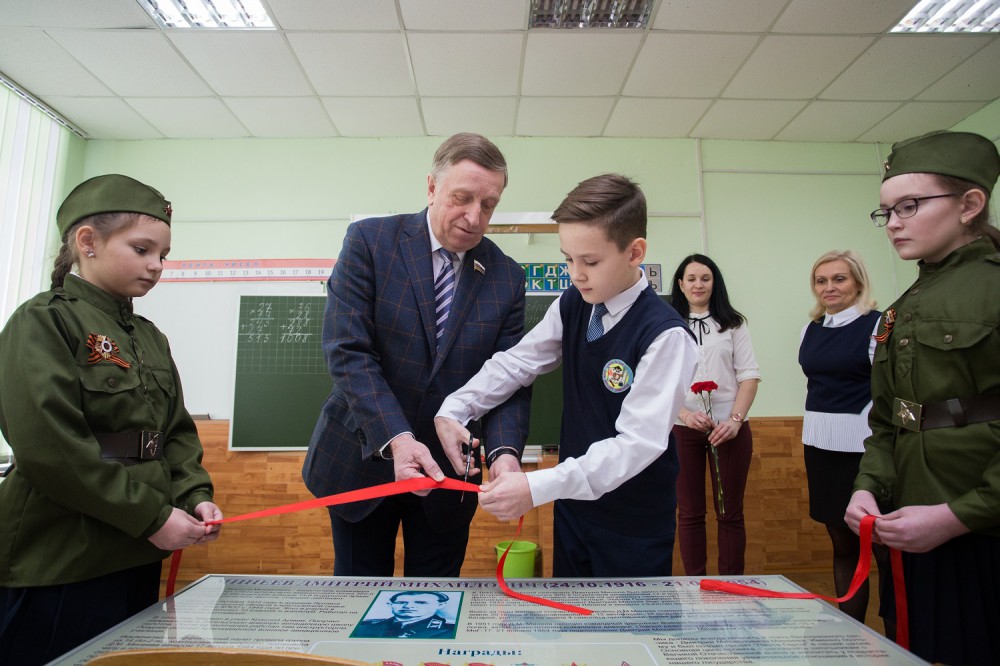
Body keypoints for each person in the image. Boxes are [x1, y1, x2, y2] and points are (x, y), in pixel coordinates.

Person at [0, 174, 222, 665]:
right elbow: (49, 447)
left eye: (163, 255)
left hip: (137, 549)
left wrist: (194, 497)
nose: (156, 265)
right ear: (87, 242)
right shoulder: (44, 320)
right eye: (142, 249)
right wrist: (152, 517)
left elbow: (174, 434)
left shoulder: (148, 336)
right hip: (63, 554)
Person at [436, 173, 698, 577]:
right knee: (570, 616)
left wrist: (536, 487)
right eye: (568, 259)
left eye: (590, 262)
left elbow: (635, 445)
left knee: (627, 618)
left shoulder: (666, 336)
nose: (576, 274)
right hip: (574, 509)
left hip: (632, 523)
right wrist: (454, 408)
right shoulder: (574, 303)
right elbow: (518, 362)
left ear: (634, 252)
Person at [302, 133, 531, 577]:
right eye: (462, 198)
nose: (474, 217)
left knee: (436, 600)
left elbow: (508, 379)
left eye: (488, 205)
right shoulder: (370, 242)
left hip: (450, 475)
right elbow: (348, 351)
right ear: (431, 187)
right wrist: (398, 437)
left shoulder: (506, 277)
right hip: (365, 458)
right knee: (360, 595)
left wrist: (504, 454)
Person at [845, 130, 1000, 665]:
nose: (893, 223)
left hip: (981, 529)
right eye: (886, 211)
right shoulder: (903, 306)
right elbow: (891, 420)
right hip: (911, 524)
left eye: (909, 206)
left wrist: (959, 515)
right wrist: (868, 487)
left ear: (969, 205)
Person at [799, 250, 892, 633]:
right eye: (821, 280)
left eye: (839, 279)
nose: (829, 287)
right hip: (820, 447)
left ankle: (897, 638)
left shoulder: (878, 325)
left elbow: (888, 390)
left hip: (864, 450)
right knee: (842, 545)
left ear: (857, 282)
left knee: (883, 549)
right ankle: (851, 635)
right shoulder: (811, 328)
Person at [669, 255, 760, 576]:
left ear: (714, 283)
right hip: (683, 429)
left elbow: (749, 376)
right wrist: (684, 414)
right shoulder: (667, 325)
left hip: (729, 430)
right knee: (690, 514)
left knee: (730, 513)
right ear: (681, 284)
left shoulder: (734, 324)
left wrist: (734, 421)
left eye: (705, 278)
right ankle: (695, 586)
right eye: (691, 278)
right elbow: (659, 381)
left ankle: (730, 587)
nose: (698, 284)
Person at [351, 591, 457, 639]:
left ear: (440, 605)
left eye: (421, 602)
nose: (408, 606)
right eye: (401, 602)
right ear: (390, 605)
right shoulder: (364, 625)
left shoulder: (450, 629)